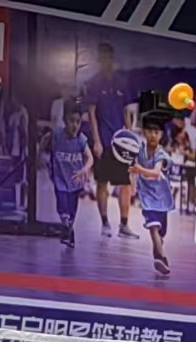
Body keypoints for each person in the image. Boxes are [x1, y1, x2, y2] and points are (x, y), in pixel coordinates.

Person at [82, 43, 136, 238]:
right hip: (103, 140)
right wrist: (96, 141)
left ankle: (124, 225)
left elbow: (126, 112)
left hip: (121, 143)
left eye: (109, 57)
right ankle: (105, 223)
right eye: (103, 57)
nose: (107, 60)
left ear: (112, 58)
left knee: (125, 183)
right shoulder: (94, 83)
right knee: (102, 182)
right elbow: (91, 113)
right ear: (99, 59)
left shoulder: (121, 82)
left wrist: (130, 138)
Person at [130, 117, 175, 276]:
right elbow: (131, 166)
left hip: (162, 198)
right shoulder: (139, 151)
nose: (152, 135)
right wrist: (133, 183)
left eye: (156, 132)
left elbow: (155, 173)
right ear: (144, 132)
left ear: (161, 135)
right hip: (147, 197)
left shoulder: (161, 154)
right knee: (152, 226)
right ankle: (160, 257)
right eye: (149, 131)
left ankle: (159, 250)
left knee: (160, 231)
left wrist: (138, 169)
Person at [48, 96, 93, 248]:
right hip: (60, 179)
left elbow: (90, 158)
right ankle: (67, 230)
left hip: (75, 181)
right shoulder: (57, 135)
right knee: (63, 210)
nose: (75, 125)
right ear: (64, 121)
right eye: (71, 121)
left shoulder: (81, 140)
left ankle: (69, 235)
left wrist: (84, 169)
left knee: (72, 213)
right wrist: (39, 157)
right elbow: (45, 142)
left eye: (78, 122)